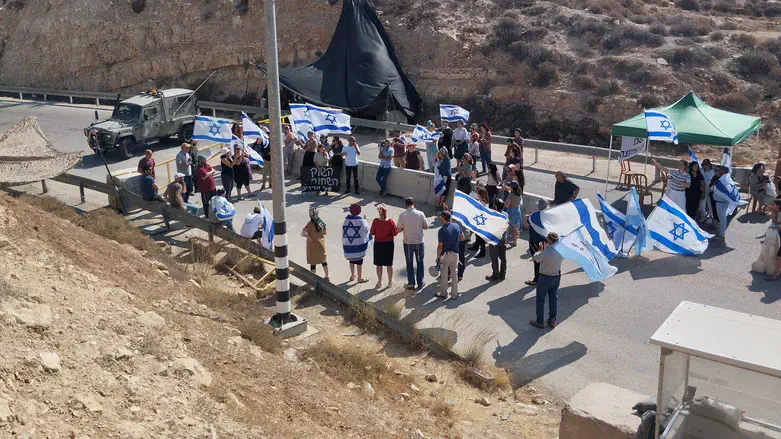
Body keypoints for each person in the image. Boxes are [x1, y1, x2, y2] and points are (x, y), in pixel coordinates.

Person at [530, 232, 563, 329]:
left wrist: (540, 250)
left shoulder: (547, 252)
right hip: (556, 276)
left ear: (549, 240)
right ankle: (552, 319)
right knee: (553, 298)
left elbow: (536, 258)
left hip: (545, 278)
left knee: (540, 300)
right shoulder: (561, 251)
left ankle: (539, 321)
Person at [397, 197, 428, 290]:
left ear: (406, 204)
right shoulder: (420, 213)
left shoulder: (402, 215)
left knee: (409, 263)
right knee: (420, 262)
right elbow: (426, 226)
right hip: (419, 242)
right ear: (414, 203)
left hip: (408, 243)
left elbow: (399, 229)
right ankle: (420, 282)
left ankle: (411, 283)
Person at [436, 210, 464, 299]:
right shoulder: (456, 226)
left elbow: (440, 246)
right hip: (455, 254)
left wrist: (438, 257)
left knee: (444, 274)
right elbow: (462, 237)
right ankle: (454, 295)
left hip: (446, 255)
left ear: (443, 218)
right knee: (454, 274)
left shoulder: (442, 230)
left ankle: (444, 293)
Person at [370, 204, 397, 288]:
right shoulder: (390, 221)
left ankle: (379, 282)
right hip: (388, 244)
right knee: (389, 264)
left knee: (379, 264)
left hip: (378, 244)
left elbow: (372, 232)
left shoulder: (375, 221)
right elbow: (395, 233)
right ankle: (390, 282)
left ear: (378, 212)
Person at [343, 204, 370, 283]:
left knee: (351, 260)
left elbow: (345, 230)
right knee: (359, 262)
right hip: (358, 245)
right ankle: (359, 278)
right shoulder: (361, 220)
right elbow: (366, 229)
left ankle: (352, 275)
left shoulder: (346, 220)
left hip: (349, 244)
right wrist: (365, 219)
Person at [302, 207, 330, 280]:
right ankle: (327, 277)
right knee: (324, 262)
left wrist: (308, 236)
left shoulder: (309, 224)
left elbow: (302, 234)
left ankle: (313, 279)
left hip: (312, 246)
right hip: (321, 245)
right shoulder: (321, 223)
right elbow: (325, 233)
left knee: (313, 263)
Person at [525, 199, 548, 286]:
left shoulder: (534, 216)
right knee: (544, 259)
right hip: (545, 240)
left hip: (535, 241)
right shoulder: (548, 215)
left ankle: (536, 279)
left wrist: (528, 217)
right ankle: (543, 277)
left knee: (537, 259)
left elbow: (527, 223)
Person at [485, 198, 507, 282]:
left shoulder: (494, 216)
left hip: (495, 240)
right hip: (503, 239)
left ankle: (495, 274)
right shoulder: (505, 215)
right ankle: (503, 273)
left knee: (494, 258)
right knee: (503, 257)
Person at [505, 181, 523, 247]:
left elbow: (507, 205)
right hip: (517, 211)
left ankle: (506, 241)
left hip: (511, 211)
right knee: (515, 228)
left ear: (512, 188)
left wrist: (503, 203)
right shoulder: (519, 194)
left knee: (507, 227)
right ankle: (515, 241)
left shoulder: (510, 195)